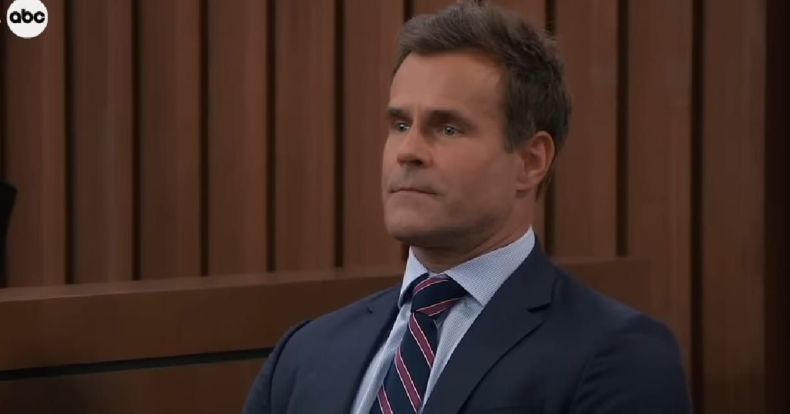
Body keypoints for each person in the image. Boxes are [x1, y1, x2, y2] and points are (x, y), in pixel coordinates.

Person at [244, 2, 690, 413]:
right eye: (400, 124)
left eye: (448, 128)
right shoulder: (304, 353)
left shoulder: (618, 356)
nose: (408, 151)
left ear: (531, 161)